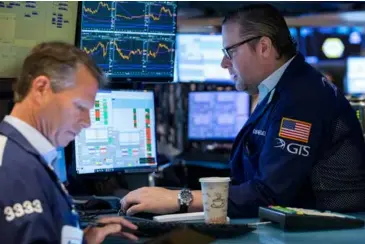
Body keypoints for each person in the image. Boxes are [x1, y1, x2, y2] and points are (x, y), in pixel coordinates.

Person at [121, 4, 365, 218]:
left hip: (326, 231)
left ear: (264, 47)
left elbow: (269, 193)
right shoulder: (284, 88)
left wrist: (178, 199)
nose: (224, 63)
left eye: (230, 52)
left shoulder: (302, 99)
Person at [0, 42, 138, 243]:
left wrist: (82, 240)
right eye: (80, 106)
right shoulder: (10, 166)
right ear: (41, 89)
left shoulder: (30, 158)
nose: (87, 122)